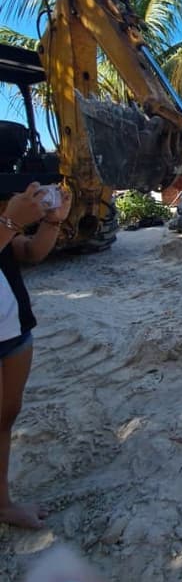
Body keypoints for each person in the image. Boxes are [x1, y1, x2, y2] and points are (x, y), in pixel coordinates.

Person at [1, 182, 73, 529]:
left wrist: (52, 223)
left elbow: (28, 252)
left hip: (14, 333)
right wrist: (10, 223)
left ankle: (2, 503)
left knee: (5, 417)